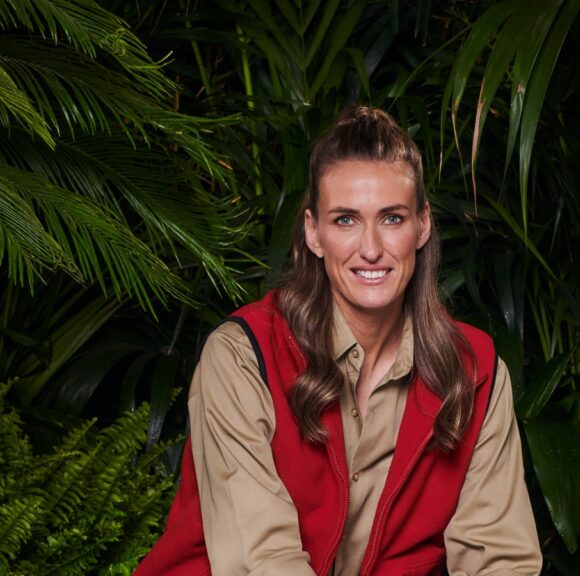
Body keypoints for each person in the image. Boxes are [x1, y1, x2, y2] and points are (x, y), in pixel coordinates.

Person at [135, 107, 542, 575]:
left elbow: (502, 560)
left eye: (392, 219)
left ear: (423, 225)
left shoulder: (475, 373)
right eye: (346, 220)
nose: (370, 249)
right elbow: (262, 563)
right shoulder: (243, 357)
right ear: (313, 232)